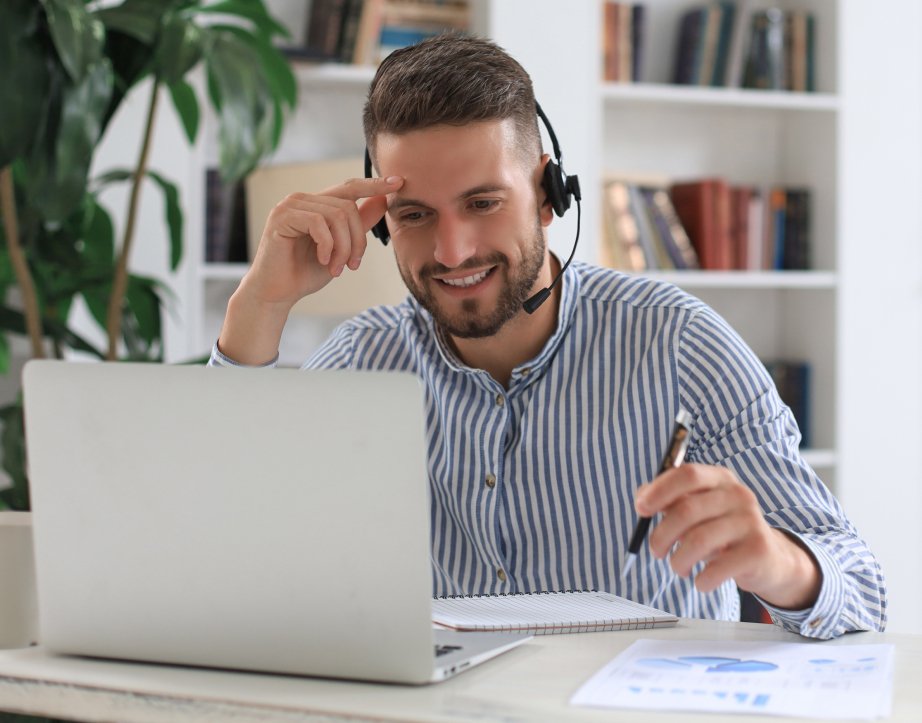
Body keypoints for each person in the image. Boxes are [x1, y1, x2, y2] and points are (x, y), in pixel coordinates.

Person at [210, 33, 886, 640]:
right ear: (384, 221)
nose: (452, 250)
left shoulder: (680, 343)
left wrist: (777, 562)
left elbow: (863, 595)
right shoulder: (360, 362)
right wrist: (259, 305)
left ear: (546, 193)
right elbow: (219, 549)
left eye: (482, 203)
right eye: (415, 214)